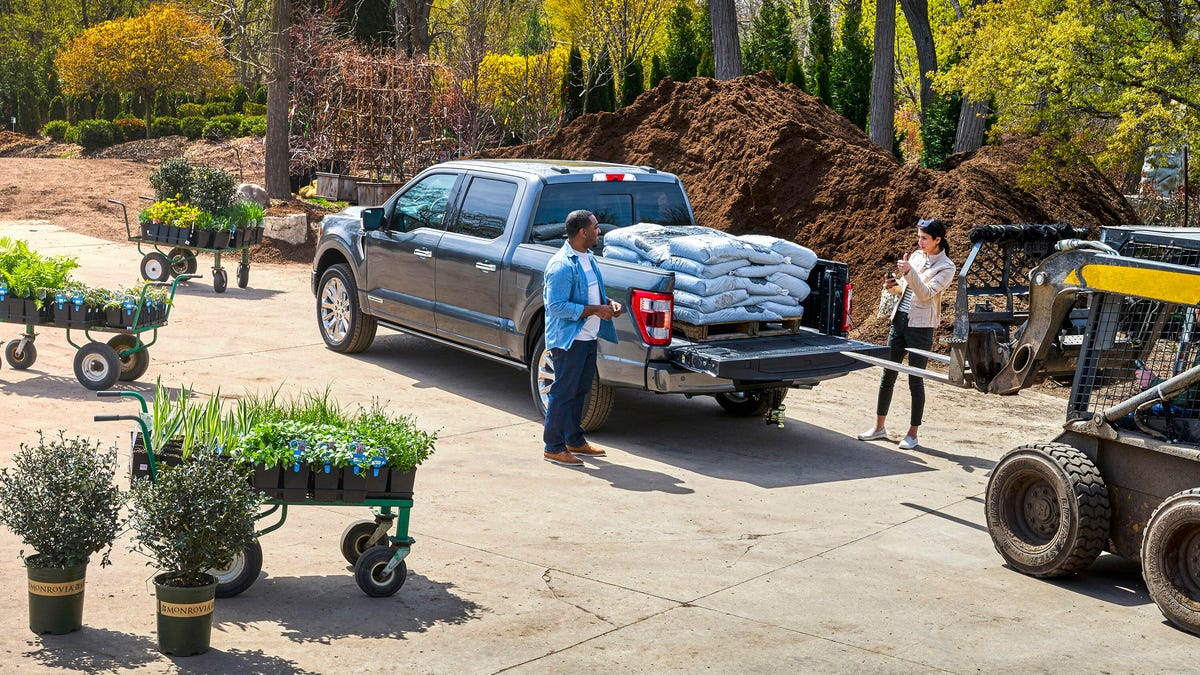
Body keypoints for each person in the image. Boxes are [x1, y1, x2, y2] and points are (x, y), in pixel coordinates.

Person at [859, 218, 956, 450]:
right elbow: (905, 290)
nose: (919, 242)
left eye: (924, 238)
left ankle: (912, 434)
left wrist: (910, 273)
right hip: (900, 321)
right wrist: (891, 284)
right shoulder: (914, 256)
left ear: (938, 240)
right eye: (918, 237)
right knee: (888, 375)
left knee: (915, 379)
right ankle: (879, 427)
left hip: (921, 327)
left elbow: (925, 294)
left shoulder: (947, 267)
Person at [542, 209, 623, 467]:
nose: (599, 231)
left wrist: (609, 304)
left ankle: (574, 440)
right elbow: (556, 306)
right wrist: (595, 311)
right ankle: (553, 447)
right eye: (595, 227)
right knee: (563, 392)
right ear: (582, 232)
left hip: (588, 336)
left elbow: (592, 294)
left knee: (581, 390)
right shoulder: (561, 265)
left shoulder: (588, 258)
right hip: (569, 340)